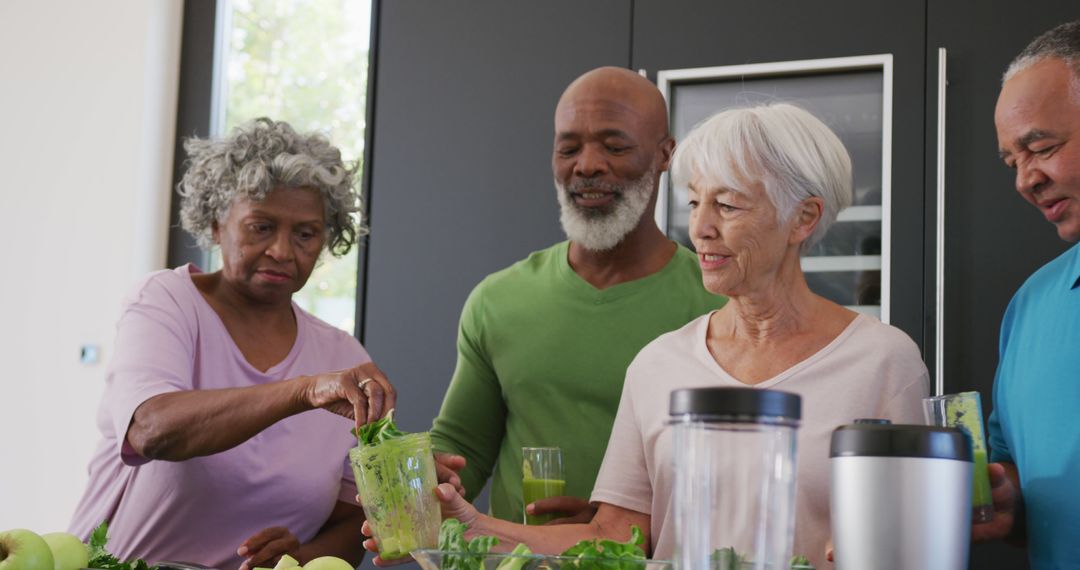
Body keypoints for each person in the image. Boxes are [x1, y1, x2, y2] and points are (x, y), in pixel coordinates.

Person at [416, 103, 928, 570]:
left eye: (727, 205)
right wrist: (470, 526)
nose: (700, 227)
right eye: (694, 202)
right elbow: (615, 537)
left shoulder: (883, 362)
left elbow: (912, 547)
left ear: (804, 217)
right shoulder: (659, 364)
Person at [69, 118, 397, 570]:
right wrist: (303, 392)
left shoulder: (344, 357)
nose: (283, 250)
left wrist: (296, 557)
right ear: (216, 222)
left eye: (305, 234)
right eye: (261, 227)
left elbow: (354, 518)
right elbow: (151, 429)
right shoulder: (167, 302)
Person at [428, 67, 727, 528]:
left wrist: (620, 520)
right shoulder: (499, 299)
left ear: (665, 153)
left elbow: (738, 478)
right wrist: (421, 490)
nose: (586, 165)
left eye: (615, 146)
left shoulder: (719, 304)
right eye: (569, 148)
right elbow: (459, 453)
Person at [979, 20, 1080, 568]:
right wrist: (1008, 497)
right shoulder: (1032, 305)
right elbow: (1017, 470)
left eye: (1040, 147)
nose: (1025, 180)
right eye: (1012, 162)